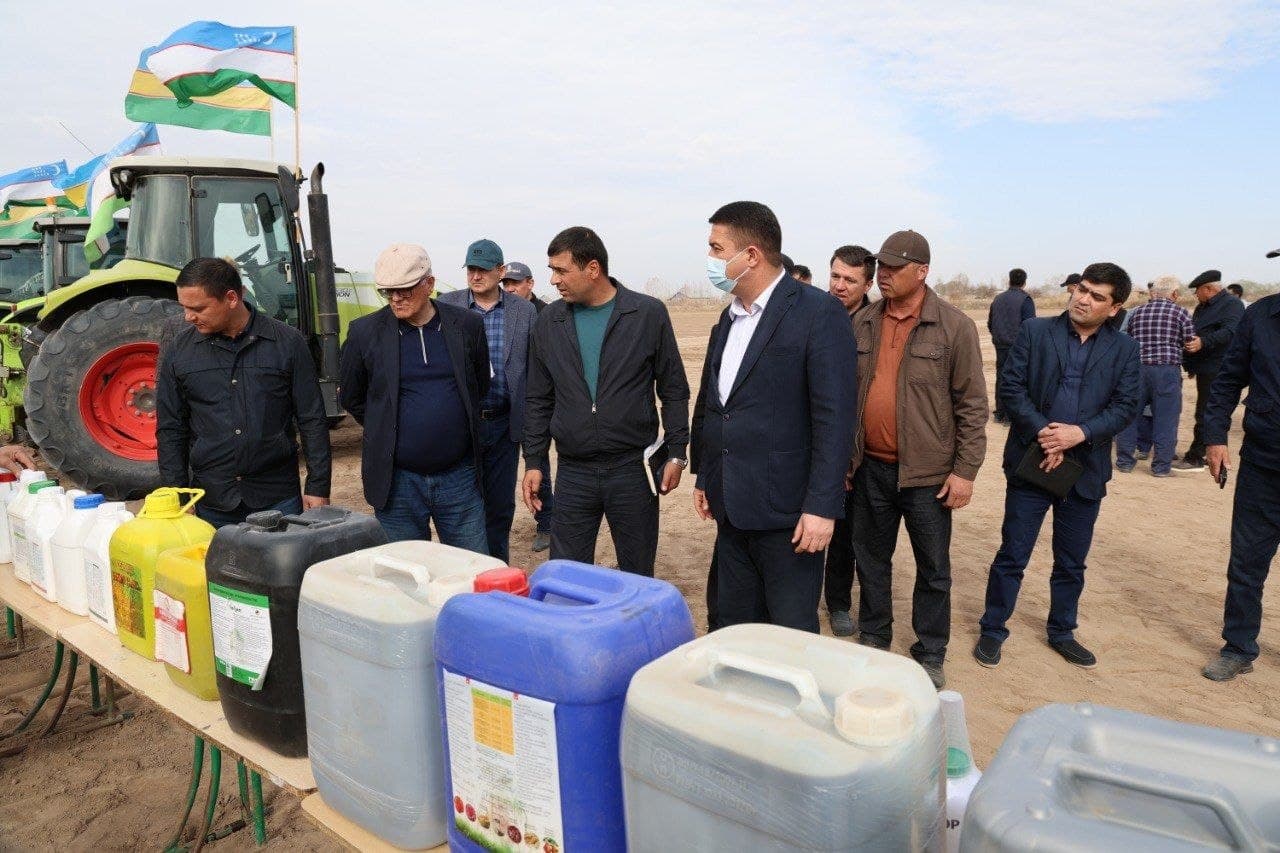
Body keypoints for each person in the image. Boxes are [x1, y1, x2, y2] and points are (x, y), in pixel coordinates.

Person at [691, 201, 857, 634]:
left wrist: (823, 507)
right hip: (732, 508)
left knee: (789, 634)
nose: (710, 259)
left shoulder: (818, 313)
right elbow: (716, 405)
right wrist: (707, 476)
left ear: (751, 256)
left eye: (716, 248)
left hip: (789, 517)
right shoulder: (729, 319)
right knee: (733, 625)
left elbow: (834, 419)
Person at [974, 263, 1141, 670]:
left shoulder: (1124, 349)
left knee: (1071, 560)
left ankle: (1062, 631)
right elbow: (1011, 387)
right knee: (1013, 553)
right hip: (1032, 461)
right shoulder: (1036, 331)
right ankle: (993, 629)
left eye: (1097, 296)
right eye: (1082, 290)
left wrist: (1078, 434)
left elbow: (1125, 407)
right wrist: (1047, 434)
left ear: (1115, 307)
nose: (1083, 299)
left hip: (1084, 469)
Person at [848, 230, 988, 689]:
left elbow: (971, 405)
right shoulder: (864, 321)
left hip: (929, 476)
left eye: (893, 268)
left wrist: (965, 472)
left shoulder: (954, 327)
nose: (882, 276)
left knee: (933, 568)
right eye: (880, 268)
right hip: (870, 467)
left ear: (922, 272)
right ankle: (874, 635)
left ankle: (930, 650)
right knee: (871, 559)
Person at [521, 226, 689, 576]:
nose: (553, 280)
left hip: (632, 470)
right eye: (551, 270)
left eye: (561, 270)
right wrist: (535, 460)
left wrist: (677, 451)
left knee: (637, 572)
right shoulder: (548, 322)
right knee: (567, 573)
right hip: (574, 472)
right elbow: (538, 398)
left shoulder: (646, 314)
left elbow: (673, 388)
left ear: (593, 269)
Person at [338, 244, 490, 552]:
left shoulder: (467, 326)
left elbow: (479, 387)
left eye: (405, 291)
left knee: (469, 568)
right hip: (398, 483)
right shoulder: (364, 332)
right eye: (388, 292)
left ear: (429, 285)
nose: (395, 299)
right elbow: (353, 397)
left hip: (458, 478)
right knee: (404, 578)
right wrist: (388, 426)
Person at [157, 257, 330, 527]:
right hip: (209, 500)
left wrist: (318, 486)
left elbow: (312, 419)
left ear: (231, 298)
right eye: (184, 307)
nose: (188, 317)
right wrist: (178, 496)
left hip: (277, 499)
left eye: (198, 308)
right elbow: (170, 428)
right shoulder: (180, 351)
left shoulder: (288, 343)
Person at [438, 239, 536, 562]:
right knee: (460, 506)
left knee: (499, 508)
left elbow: (534, 367)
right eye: (471, 269)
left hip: (502, 426)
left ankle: (497, 575)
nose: (476, 276)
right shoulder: (447, 306)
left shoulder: (523, 311)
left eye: (483, 269)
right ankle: (462, 576)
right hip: (459, 427)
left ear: (501, 271)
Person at [1200, 291, 1280, 681]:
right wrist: (1215, 437)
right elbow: (1228, 378)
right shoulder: (1261, 316)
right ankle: (1238, 647)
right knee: (1247, 564)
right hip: (1264, 465)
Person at [823, 244, 875, 636]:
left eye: (850, 280)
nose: (840, 286)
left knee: (848, 533)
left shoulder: (878, 322)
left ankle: (839, 603)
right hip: (812, 441)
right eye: (835, 276)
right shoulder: (812, 313)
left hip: (858, 449)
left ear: (868, 283)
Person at [1114, 275, 1194, 476]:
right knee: (1166, 419)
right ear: (1174, 294)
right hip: (1166, 371)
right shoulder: (1181, 313)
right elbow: (1190, 341)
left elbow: (1128, 338)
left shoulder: (1136, 312)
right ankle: (1161, 467)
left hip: (1137, 369)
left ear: (1153, 293)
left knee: (1130, 415)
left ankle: (1124, 461)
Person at [501, 260, 553, 551]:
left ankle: (547, 524)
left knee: (537, 463)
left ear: (530, 284)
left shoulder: (545, 314)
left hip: (540, 403)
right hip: (510, 404)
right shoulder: (505, 315)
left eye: (515, 284)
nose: (510, 289)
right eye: (506, 284)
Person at [1176, 270, 1245, 472]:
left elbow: (1230, 332)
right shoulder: (1202, 308)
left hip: (1220, 368)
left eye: (1197, 291)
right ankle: (1202, 453)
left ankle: (1195, 457)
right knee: (1203, 410)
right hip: (1204, 367)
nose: (1195, 295)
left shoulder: (1232, 305)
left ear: (1208, 289)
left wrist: (1203, 342)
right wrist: (1191, 364)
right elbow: (1195, 332)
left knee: (1207, 412)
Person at [988, 268, 1036, 424]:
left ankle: (999, 412)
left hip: (1000, 344)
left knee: (1001, 376)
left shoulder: (998, 299)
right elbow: (1030, 325)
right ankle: (1010, 415)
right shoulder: (1025, 299)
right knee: (1016, 379)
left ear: (1009, 280)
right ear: (1024, 282)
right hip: (1018, 346)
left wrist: (998, 336)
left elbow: (990, 322)